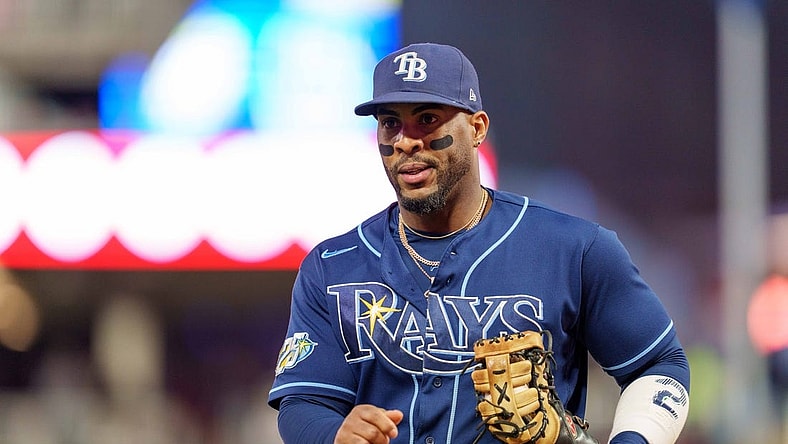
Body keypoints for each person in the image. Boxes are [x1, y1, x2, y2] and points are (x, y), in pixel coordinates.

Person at [268, 42, 690, 444]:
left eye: (428, 118)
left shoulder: (572, 249)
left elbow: (660, 366)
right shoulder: (333, 266)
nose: (406, 141)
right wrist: (334, 434)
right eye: (390, 122)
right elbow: (304, 402)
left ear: (476, 128)